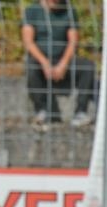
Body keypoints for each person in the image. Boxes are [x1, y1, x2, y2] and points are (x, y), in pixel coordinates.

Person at [22, 0, 96, 128]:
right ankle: (42, 110)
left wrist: (63, 64)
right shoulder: (31, 11)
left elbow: (73, 42)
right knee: (31, 65)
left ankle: (81, 112)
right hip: (40, 59)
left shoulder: (69, 11)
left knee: (87, 66)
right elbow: (29, 42)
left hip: (62, 59)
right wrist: (45, 63)